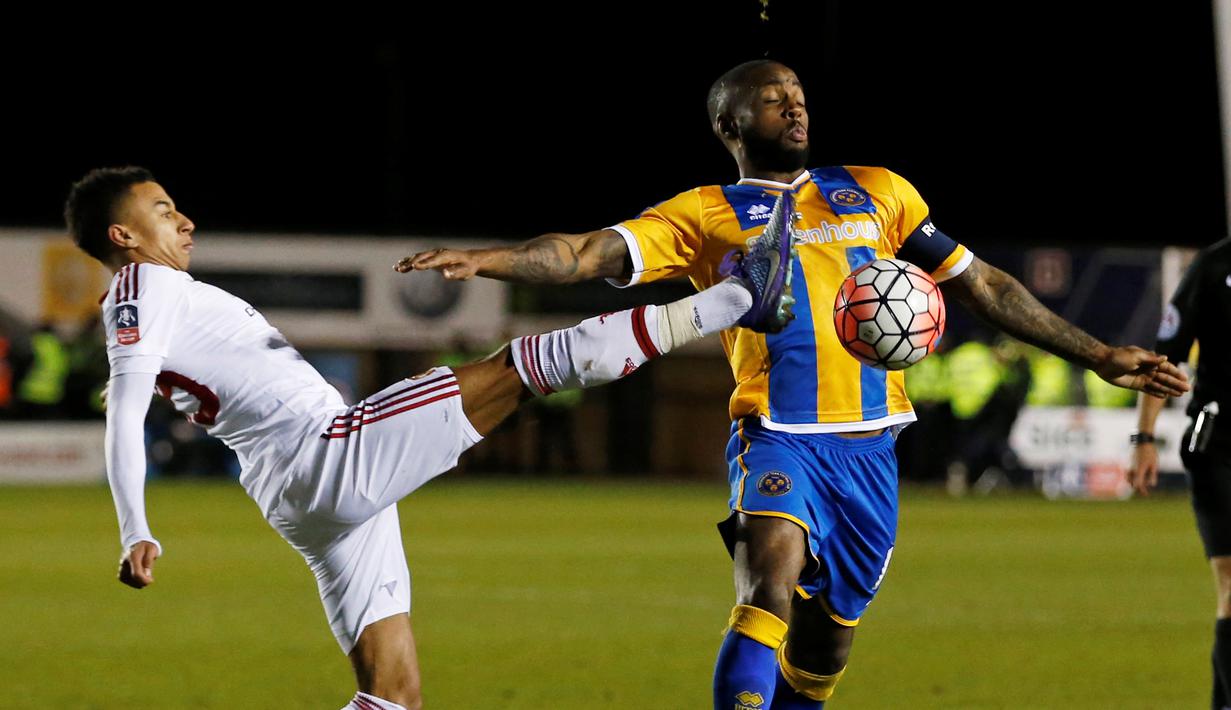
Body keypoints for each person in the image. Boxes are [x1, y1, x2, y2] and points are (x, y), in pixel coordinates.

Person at [400, 59, 1190, 708]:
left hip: (870, 448)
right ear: (728, 125)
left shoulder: (877, 190)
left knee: (826, 642)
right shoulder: (704, 214)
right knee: (767, 588)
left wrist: (1093, 353)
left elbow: (981, 283)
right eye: (771, 99)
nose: (793, 107)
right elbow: (579, 253)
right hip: (775, 434)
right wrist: (487, 258)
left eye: (799, 97)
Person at [66, 165, 793, 710]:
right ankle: (732, 298)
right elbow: (124, 406)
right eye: (162, 211)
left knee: (394, 697)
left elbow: (139, 382)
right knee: (521, 366)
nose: (184, 219)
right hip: (326, 455)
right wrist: (135, 527)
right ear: (122, 236)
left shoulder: (150, 300)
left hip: (307, 487)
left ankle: (732, 298)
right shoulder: (142, 287)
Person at [1129, 237, 1231, 710]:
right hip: (1221, 443)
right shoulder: (1213, 267)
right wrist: (1144, 438)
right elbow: (1164, 354)